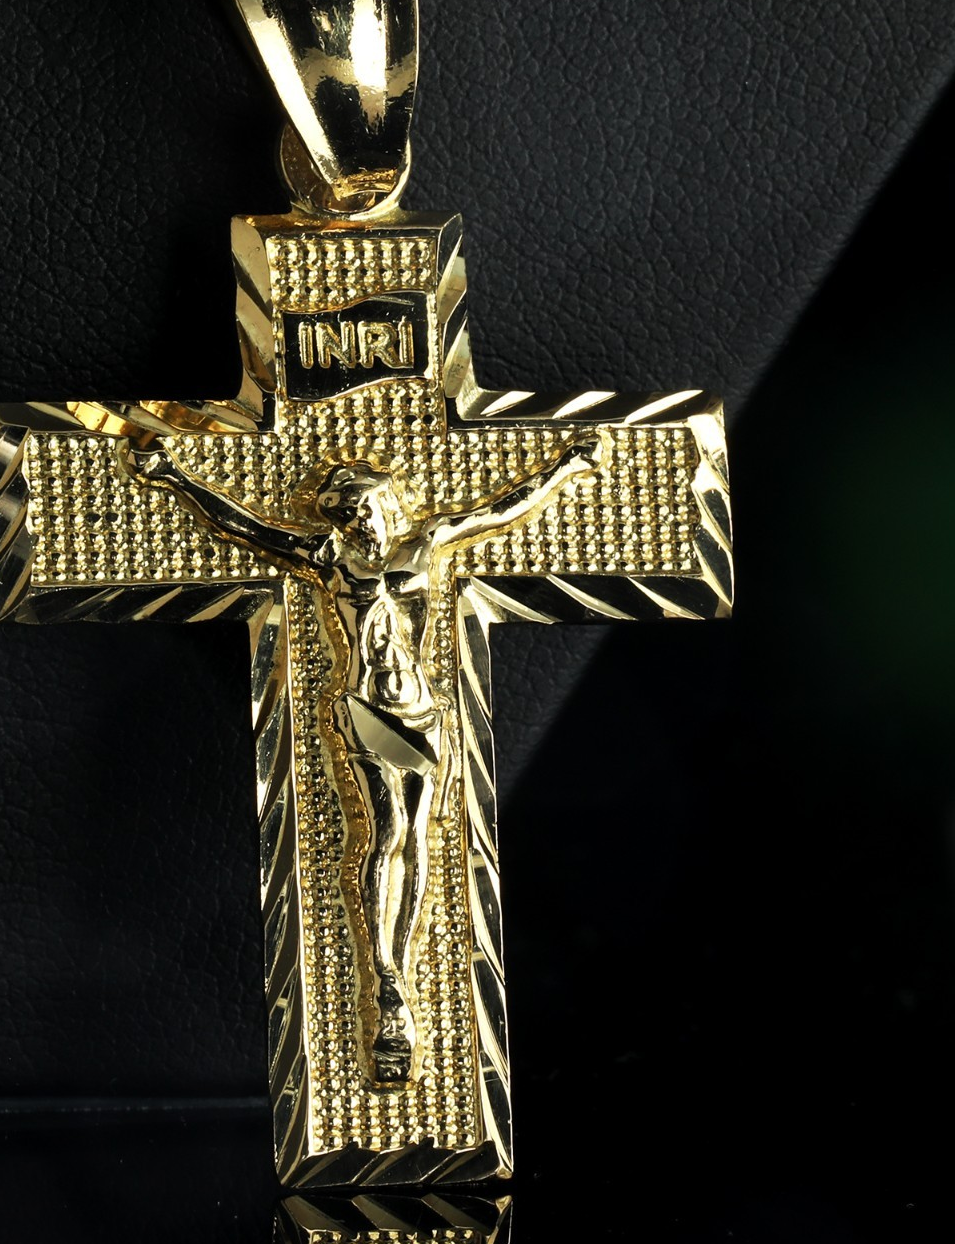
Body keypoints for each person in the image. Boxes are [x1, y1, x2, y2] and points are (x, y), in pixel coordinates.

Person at [122, 431, 603, 1083]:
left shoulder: (425, 543)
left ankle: (399, 973)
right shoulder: (327, 559)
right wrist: (173, 476)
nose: (358, 522)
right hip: (364, 709)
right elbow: (246, 526)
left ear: (385, 504)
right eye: (347, 515)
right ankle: (386, 981)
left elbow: (501, 509)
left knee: (420, 840)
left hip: (422, 714)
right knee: (385, 833)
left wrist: (565, 468)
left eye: (364, 509)